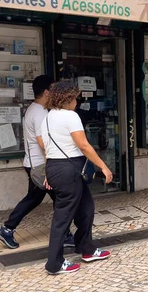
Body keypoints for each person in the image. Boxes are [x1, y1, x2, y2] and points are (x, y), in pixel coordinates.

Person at [41, 81, 113, 274]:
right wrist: (103, 166)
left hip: (57, 167)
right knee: (62, 217)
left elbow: (47, 149)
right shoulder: (70, 116)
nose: (77, 102)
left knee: (86, 208)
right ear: (68, 98)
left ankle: (86, 248)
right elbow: (84, 146)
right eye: (75, 98)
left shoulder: (47, 118)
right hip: (69, 169)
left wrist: (48, 172)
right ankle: (54, 263)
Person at [0, 75, 75, 249]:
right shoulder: (39, 113)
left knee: (36, 198)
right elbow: (42, 142)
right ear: (47, 92)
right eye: (53, 89)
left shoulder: (36, 109)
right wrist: (51, 166)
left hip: (35, 164)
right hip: (40, 165)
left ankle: (8, 228)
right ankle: (65, 236)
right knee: (60, 199)